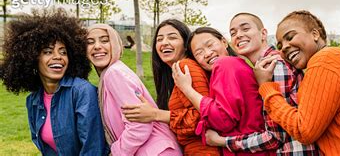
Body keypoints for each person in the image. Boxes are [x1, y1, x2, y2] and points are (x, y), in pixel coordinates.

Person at [253, 10, 340, 155]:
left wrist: (266, 88)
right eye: (280, 46)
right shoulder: (336, 57)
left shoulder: (324, 61)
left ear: (315, 34)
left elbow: (303, 130)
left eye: (290, 37)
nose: (285, 47)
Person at [205, 12, 318, 155]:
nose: (238, 35)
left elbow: (276, 137)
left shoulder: (274, 65)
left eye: (245, 29)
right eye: (233, 33)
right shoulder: (263, 68)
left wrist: (223, 141)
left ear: (263, 34)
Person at [0, 9, 108, 155]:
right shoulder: (33, 101)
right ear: (32, 57)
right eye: (48, 52)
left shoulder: (82, 92)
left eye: (63, 52)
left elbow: (93, 149)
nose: (58, 57)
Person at [121, 19, 220, 155]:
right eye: (159, 39)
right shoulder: (176, 73)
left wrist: (155, 114)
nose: (164, 42)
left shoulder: (186, 66)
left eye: (172, 37)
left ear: (186, 45)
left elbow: (204, 118)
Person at [173, 27, 273, 156]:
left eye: (210, 45)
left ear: (224, 42)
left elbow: (222, 120)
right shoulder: (238, 65)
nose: (207, 53)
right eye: (199, 53)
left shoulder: (225, 64)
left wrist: (187, 89)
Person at [86, 24, 181, 156]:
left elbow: (140, 125)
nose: (97, 46)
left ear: (115, 44)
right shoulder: (112, 72)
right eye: (90, 42)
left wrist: (116, 152)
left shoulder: (114, 73)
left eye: (105, 40)